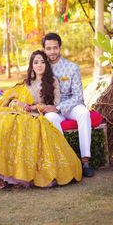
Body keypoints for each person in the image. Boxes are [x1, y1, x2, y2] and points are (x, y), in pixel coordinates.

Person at [0, 50, 82, 188]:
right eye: (36, 62)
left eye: (42, 62)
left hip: (34, 115)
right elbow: (7, 99)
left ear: (47, 65)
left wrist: (33, 107)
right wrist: (12, 105)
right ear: (32, 66)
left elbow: (54, 105)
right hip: (15, 111)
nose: (39, 65)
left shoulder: (52, 82)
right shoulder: (25, 83)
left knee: (20, 127)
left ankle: (11, 176)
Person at [42, 33, 94, 177]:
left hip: (71, 106)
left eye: (55, 48)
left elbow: (78, 95)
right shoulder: (41, 68)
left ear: (60, 48)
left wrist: (59, 107)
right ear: (44, 49)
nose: (52, 51)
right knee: (51, 118)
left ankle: (85, 161)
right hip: (52, 108)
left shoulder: (72, 67)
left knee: (84, 113)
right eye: (48, 48)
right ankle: (65, 161)